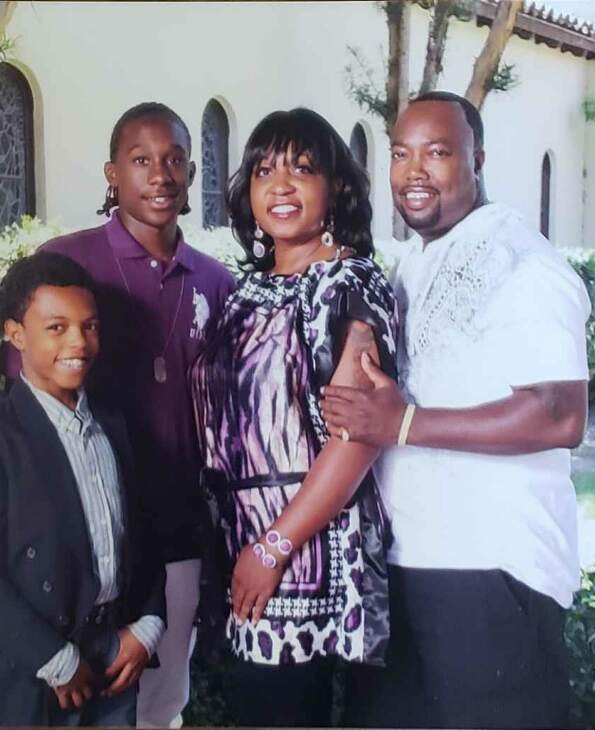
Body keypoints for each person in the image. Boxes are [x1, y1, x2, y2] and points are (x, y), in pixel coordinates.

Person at [323, 91, 591, 729]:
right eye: (400, 154)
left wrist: (403, 423)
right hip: (405, 562)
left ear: (478, 160)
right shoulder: (412, 261)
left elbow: (560, 414)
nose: (413, 171)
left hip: (492, 566)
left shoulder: (523, 261)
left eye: (437, 153)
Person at [0, 102, 235, 728]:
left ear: (191, 172)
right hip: (76, 538)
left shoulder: (216, 282)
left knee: (160, 708)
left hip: (175, 534)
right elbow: (24, 409)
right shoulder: (67, 263)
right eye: (141, 160)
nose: (160, 174)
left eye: (175, 159)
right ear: (113, 173)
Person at [188, 107, 399, 727]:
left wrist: (275, 545)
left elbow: (357, 434)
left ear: (336, 188)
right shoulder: (248, 289)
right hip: (241, 543)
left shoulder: (348, 285)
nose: (279, 186)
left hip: (302, 555)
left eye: (301, 170)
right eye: (263, 171)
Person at [0, 252, 166, 726]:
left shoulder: (116, 427)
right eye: (56, 328)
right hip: (33, 670)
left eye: (90, 327)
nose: (78, 342)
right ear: (16, 335)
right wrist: (56, 660)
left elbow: (145, 537)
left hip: (114, 659)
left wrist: (149, 624)